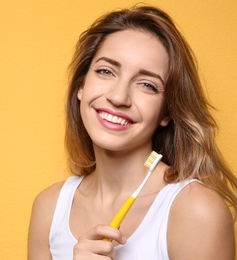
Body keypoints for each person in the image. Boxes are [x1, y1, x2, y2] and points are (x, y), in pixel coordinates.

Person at [28, 4, 237, 260]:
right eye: (106, 71)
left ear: (167, 112)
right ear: (81, 86)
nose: (118, 97)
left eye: (147, 85)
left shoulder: (196, 210)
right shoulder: (49, 207)